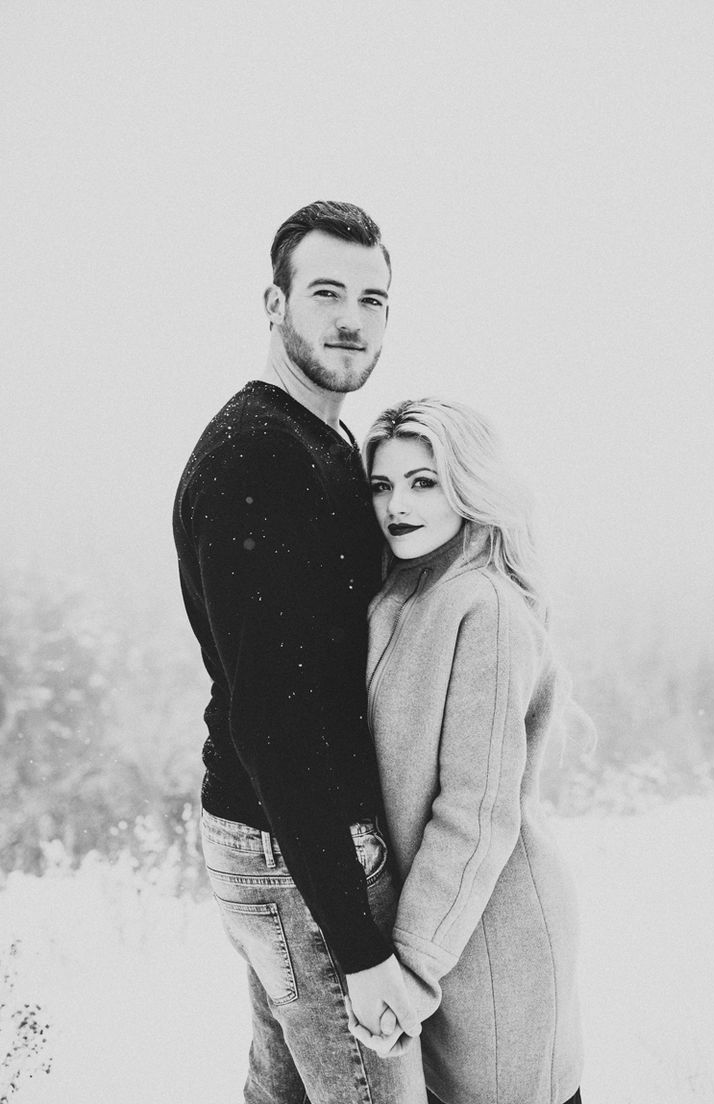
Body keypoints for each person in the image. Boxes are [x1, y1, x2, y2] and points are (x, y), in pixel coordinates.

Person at [172, 201, 426, 1104]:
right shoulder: (259, 457)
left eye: (373, 297)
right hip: (295, 846)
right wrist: (359, 952)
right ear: (274, 303)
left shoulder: (325, 441)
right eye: (325, 292)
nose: (352, 317)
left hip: (279, 839)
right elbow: (273, 717)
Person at [351, 397, 585, 1104]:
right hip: (436, 925)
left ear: (469, 485)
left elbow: (476, 811)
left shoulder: (484, 607)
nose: (398, 504)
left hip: (491, 936)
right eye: (382, 484)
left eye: (424, 482)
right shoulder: (402, 591)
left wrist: (414, 968)